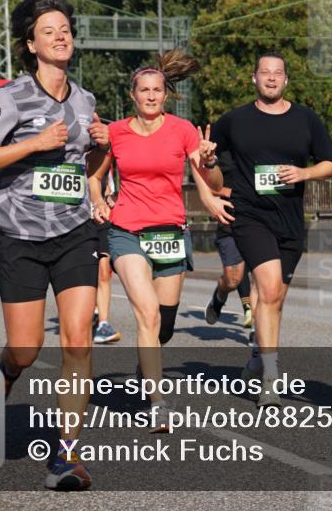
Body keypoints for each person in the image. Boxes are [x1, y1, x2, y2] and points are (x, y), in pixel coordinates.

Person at [0, 0, 109, 491]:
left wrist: (102, 150)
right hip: (22, 236)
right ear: (32, 44)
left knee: (78, 340)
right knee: (26, 350)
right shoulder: (11, 98)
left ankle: (67, 456)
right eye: (49, 30)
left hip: (73, 232)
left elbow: (86, 169)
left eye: (66, 28)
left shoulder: (86, 100)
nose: (61, 35)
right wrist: (31, 144)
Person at [90, 50, 222, 426]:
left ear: (166, 94)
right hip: (127, 231)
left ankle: (145, 366)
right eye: (143, 90)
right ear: (132, 95)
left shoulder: (182, 130)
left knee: (163, 324)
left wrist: (210, 164)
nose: (150, 96)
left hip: (170, 232)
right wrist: (99, 202)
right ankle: (158, 400)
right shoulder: (115, 133)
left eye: (157, 90)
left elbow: (212, 182)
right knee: (146, 313)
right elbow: (94, 177)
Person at [210, 51, 332, 406]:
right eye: (264, 72)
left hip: (290, 219)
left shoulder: (305, 119)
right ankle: (271, 376)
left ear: (285, 80)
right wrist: (210, 188)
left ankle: (256, 358)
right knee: (266, 290)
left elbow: (331, 165)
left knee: (276, 298)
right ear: (254, 78)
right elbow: (204, 159)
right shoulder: (234, 120)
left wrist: (305, 173)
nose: (271, 78)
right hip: (250, 215)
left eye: (277, 73)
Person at [204, 149, 254, 330]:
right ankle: (219, 295)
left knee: (264, 278)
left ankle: (257, 332)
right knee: (233, 279)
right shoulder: (225, 150)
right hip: (231, 221)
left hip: (262, 221)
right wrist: (239, 193)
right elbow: (208, 186)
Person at [92, 171, 121, 344]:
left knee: (104, 271)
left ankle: (103, 325)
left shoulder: (105, 160)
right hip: (78, 221)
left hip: (101, 219)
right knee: (87, 274)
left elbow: (109, 187)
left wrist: (112, 198)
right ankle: (91, 308)